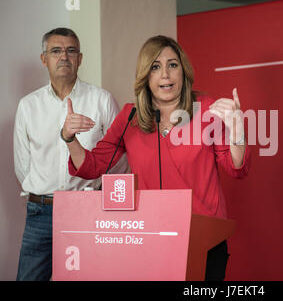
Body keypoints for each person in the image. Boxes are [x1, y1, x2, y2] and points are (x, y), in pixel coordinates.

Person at [61, 35, 251, 280]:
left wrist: (238, 130)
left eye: (173, 65)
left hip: (204, 236)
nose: (165, 75)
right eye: (155, 67)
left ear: (183, 71)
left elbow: (237, 168)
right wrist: (68, 138)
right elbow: (92, 166)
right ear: (145, 76)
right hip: (152, 237)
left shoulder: (205, 109)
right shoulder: (130, 116)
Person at [13, 28, 128, 281]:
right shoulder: (28, 106)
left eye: (71, 50)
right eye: (56, 51)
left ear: (80, 58)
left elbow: (118, 164)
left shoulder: (102, 100)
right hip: (40, 213)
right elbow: (23, 165)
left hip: (88, 210)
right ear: (44, 59)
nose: (64, 56)